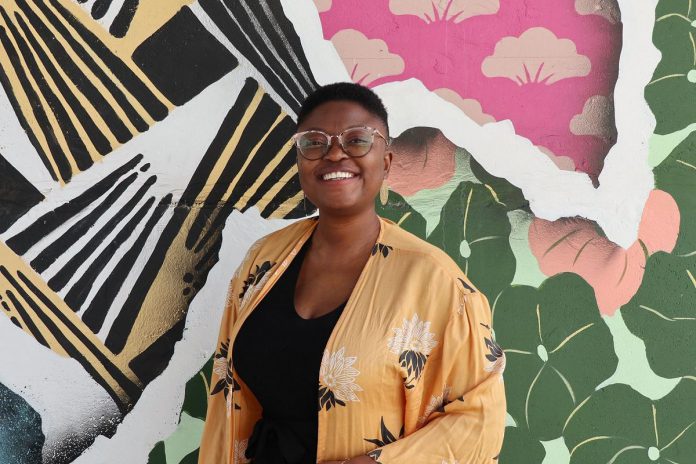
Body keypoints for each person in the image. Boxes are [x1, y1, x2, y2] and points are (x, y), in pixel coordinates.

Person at [198, 83, 506, 464]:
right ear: (300, 161)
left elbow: (480, 421)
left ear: (387, 162)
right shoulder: (264, 260)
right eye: (314, 142)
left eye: (357, 140)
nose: (334, 153)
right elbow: (227, 394)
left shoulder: (436, 282)